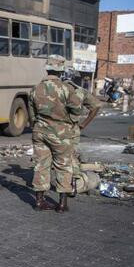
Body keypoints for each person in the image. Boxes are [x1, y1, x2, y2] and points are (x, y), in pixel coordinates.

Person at [28, 55, 83, 213]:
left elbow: (31, 115)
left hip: (40, 132)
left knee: (41, 165)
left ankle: (39, 202)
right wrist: (69, 120)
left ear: (47, 69)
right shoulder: (67, 88)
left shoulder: (35, 88)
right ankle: (62, 204)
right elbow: (77, 109)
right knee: (63, 166)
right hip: (61, 134)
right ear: (61, 70)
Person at [63, 70, 101, 191]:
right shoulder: (80, 91)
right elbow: (96, 106)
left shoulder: (55, 90)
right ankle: (75, 184)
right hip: (72, 130)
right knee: (70, 157)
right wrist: (83, 124)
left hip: (53, 129)